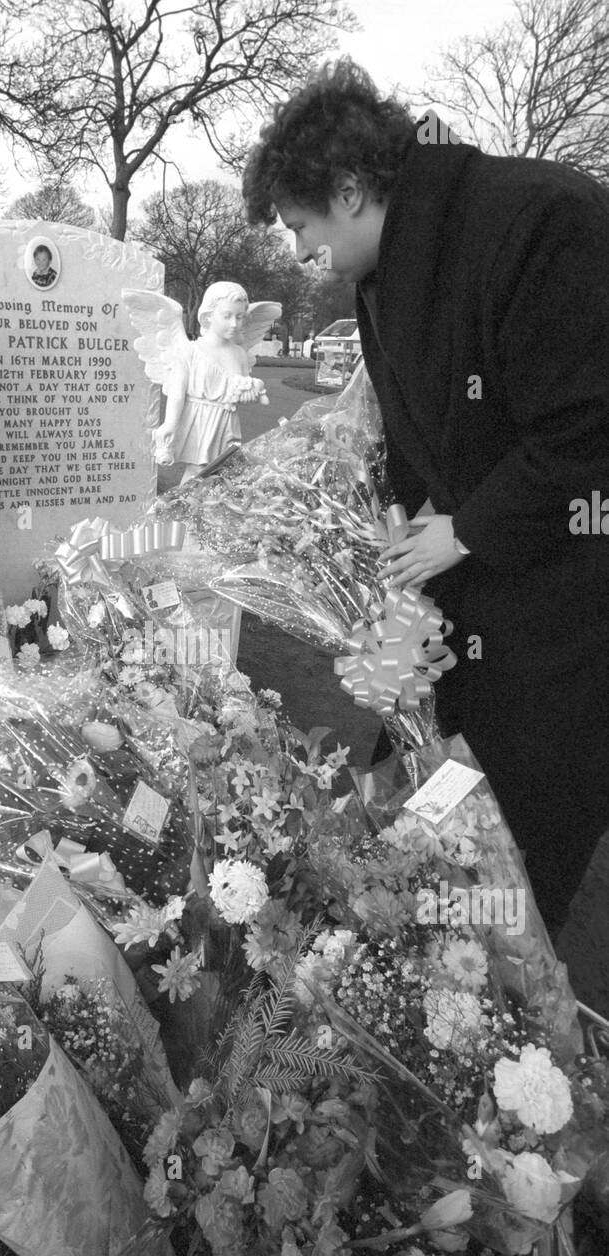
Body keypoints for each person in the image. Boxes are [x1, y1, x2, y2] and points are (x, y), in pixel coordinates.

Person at [242, 59, 609, 941]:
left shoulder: (540, 219)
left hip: (562, 627)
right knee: (416, 838)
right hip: (462, 623)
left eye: (300, 227)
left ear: (354, 187)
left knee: (509, 880)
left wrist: (468, 532)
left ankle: (517, 1044)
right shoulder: (382, 272)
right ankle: (431, 998)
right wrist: (391, 545)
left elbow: (590, 427)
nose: (299, 254)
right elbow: (419, 437)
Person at [152, 282, 268, 485]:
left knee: (223, 472)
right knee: (198, 473)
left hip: (227, 421)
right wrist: (170, 423)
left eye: (240, 317)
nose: (234, 323)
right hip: (200, 421)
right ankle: (177, 511)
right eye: (227, 316)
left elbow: (237, 392)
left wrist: (252, 388)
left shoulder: (239, 354)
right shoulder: (190, 351)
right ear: (208, 315)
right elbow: (177, 393)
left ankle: (208, 513)